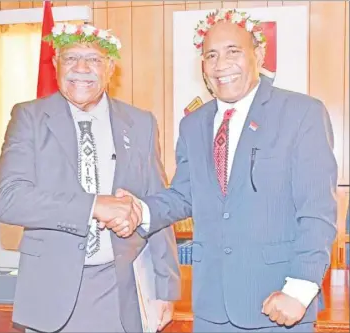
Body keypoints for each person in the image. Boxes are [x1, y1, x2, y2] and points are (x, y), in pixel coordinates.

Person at [113, 9, 338, 333]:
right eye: (211, 55)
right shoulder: (193, 124)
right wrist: (139, 210)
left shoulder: (302, 113)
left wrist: (300, 288)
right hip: (211, 309)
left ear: (258, 55)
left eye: (233, 52)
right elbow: (184, 195)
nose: (221, 65)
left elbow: (317, 211)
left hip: (278, 305)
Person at [0, 23, 180, 333]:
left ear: (110, 68)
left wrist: (166, 290)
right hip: (50, 295)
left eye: (93, 59)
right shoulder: (28, 118)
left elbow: (158, 207)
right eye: (70, 58)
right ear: (55, 64)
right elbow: (10, 200)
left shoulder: (141, 123)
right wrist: (94, 206)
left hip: (123, 292)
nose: (81, 68)